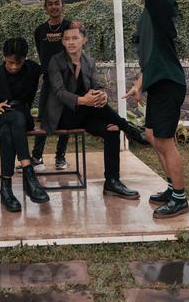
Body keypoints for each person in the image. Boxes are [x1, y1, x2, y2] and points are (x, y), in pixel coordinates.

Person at [42, 21, 140, 199]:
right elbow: (59, 92)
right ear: (62, 42)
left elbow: (98, 85)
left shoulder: (89, 61)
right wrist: (83, 100)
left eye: (75, 38)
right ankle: (129, 128)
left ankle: (112, 182)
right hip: (62, 116)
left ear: (84, 40)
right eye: (67, 39)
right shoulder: (55, 61)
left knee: (112, 130)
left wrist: (101, 95)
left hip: (85, 113)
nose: (71, 42)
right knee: (96, 106)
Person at [127, 0, 188, 218]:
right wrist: (140, 83)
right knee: (153, 135)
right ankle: (171, 187)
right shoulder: (149, 13)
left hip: (168, 83)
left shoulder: (160, 3)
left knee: (164, 141)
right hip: (158, 82)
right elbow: (151, 55)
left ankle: (180, 198)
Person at [0, 37, 50, 212]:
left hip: (21, 116)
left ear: (25, 58)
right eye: (10, 62)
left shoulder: (33, 69)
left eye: (18, 62)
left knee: (10, 127)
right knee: (11, 121)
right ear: (4, 57)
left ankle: (6, 189)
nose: (14, 66)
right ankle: (29, 174)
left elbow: (55, 62)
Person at [31, 0, 71, 170]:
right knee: (43, 117)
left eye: (57, 3)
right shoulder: (40, 30)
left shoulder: (71, 27)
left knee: (66, 117)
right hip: (48, 79)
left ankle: (60, 157)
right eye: (50, 4)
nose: (54, 6)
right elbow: (42, 54)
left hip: (69, 80)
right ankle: (37, 157)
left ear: (63, 6)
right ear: (45, 7)